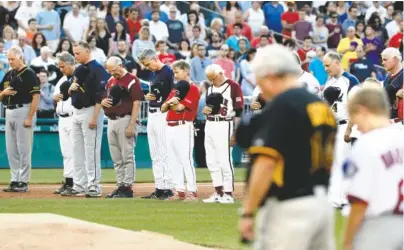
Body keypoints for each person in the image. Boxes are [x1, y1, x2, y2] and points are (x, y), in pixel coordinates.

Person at [238, 44, 336, 249]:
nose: (261, 90)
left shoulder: (283, 105)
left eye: (260, 81)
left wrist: (248, 211)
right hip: (323, 204)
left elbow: (265, 163)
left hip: (290, 204)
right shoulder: (320, 105)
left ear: (272, 75)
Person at [342, 85, 403, 250]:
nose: (355, 124)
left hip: (378, 225)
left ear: (362, 111)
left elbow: (359, 201)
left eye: (353, 116)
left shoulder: (367, 143)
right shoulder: (400, 137)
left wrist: (348, 241)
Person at [62, 41, 109, 198]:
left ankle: (94, 185)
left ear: (88, 51)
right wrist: (70, 89)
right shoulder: (79, 70)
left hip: (91, 110)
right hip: (76, 110)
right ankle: (79, 185)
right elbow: (71, 91)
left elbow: (100, 95)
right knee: (77, 151)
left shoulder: (98, 69)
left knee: (91, 150)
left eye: (78, 53)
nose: (75, 56)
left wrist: (95, 117)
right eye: (74, 53)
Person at [102, 56, 143, 198]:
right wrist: (103, 103)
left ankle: (127, 187)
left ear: (121, 65)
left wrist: (132, 124)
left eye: (114, 70)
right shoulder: (110, 81)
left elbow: (137, 103)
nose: (113, 73)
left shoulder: (132, 79)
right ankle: (120, 186)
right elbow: (104, 96)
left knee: (127, 155)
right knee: (116, 157)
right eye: (110, 71)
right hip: (111, 120)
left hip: (125, 118)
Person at [322, 51, 359, 209]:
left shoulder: (350, 80)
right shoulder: (329, 82)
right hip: (332, 126)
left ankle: (344, 198)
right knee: (333, 163)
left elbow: (356, 105)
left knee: (344, 163)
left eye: (327, 65)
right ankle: (334, 198)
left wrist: (350, 129)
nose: (325, 68)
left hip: (345, 125)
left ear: (337, 63)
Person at [202, 64, 244, 204]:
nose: (212, 81)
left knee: (225, 160)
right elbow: (209, 107)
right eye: (209, 78)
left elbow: (238, 111)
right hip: (210, 124)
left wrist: (235, 133)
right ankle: (218, 192)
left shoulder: (233, 86)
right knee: (211, 160)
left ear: (220, 73)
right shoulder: (210, 88)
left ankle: (228, 193)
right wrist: (206, 111)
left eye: (213, 77)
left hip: (225, 124)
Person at [1, 46, 40, 192]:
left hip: (24, 109)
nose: (10, 62)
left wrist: (30, 116)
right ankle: (14, 179)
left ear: (20, 57)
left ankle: (23, 181)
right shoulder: (9, 74)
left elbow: (36, 96)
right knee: (11, 149)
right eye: (9, 59)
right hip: (9, 111)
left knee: (24, 148)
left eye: (13, 59)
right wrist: (4, 93)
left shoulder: (29, 73)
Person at [161, 60, 200, 201]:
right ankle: (179, 190)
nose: (175, 75)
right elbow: (163, 108)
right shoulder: (176, 89)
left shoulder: (193, 88)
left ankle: (192, 191)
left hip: (184, 125)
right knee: (173, 160)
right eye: (174, 72)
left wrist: (171, 104)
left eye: (177, 72)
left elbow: (179, 108)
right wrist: (171, 103)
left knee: (186, 159)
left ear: (186, 71)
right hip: (169, 126)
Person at [138, 49, 174, 200]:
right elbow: (156, 93)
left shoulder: (168, 72)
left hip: (163, 113)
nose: (148, 67)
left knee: (164, 150)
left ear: (154, 58)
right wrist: (148, 96)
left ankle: (168, 187)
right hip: (152, 113)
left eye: (148, 64)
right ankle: (159, 187)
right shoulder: (155, 74)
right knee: (155, 152)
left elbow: (172, 93)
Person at [52, 52, 76, 195]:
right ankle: (68, 181)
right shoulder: (61, 80)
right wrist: (55, 98)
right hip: (62, 118)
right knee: (66, 152)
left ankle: (76, 182)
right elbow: (56, 98)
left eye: (62, 66)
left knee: (75, 152)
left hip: (73, 117)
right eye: (59, 66)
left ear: (70, 63)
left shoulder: (78, 78)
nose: (61, 69)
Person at [381, 47, 403, 120]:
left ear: (395, 59)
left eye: (385, 60)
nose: (382, 63)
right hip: (388, 121)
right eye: (382, 60)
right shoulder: (387, 79)